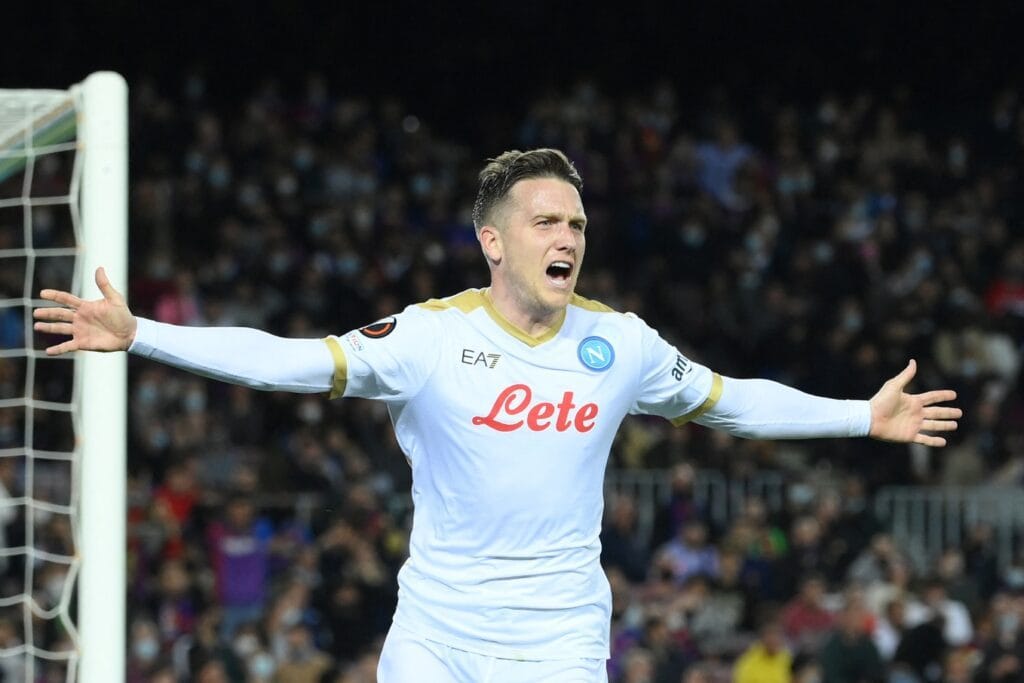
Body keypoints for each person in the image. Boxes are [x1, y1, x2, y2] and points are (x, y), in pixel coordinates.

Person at [33, 148, 961, 683]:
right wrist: (142, 333)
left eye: (578, 225)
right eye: (546, 222)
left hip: (559, 640)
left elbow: (731, 401)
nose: (568, 238)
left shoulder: (620, 343)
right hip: (437, 635)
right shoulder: (430, 337)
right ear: (493, 241)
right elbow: (291, 360)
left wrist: (860, 415)